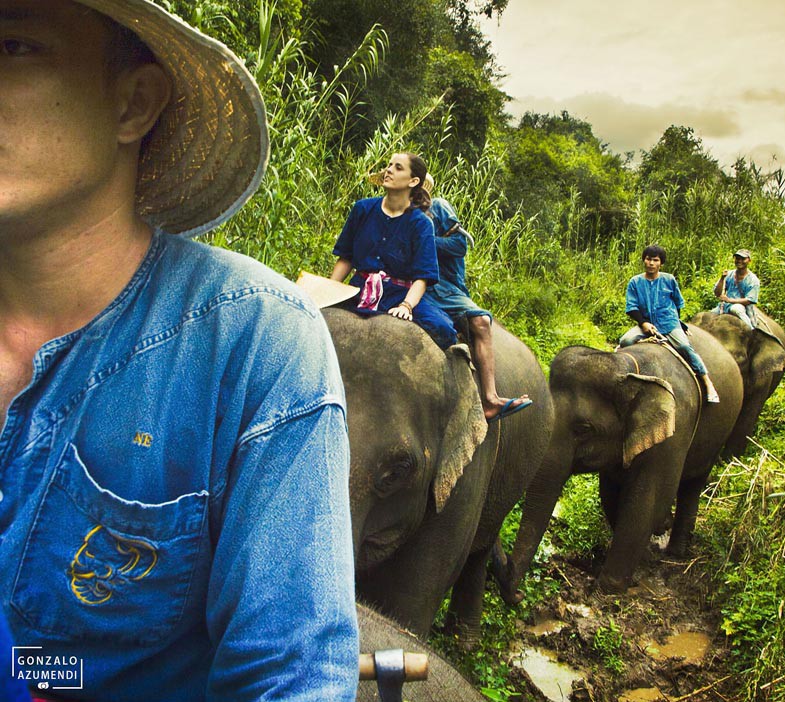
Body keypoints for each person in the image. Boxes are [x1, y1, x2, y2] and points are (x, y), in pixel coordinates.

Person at [0, 1, 358, 699]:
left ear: (134, 105)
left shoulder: (258, 342)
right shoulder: (368, 213)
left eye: (14, 47)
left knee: (453, 322)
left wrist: (404, 295)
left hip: (402, 290)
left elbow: (291, 677)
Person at [421, 176, 532, 423]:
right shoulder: (396, 212)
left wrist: (424, 240)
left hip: (445, 286)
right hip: (415, 284)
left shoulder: (437, 207)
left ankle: (490, 397)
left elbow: (460, 245)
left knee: (481, 322)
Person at [329, 153, 459, 350]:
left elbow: (422, 277)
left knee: (443, 328)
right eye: (389, 165)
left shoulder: (421, 223)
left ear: (413, 181)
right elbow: (346, 258)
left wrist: (406, 306)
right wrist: (330, 289)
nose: (389, 170)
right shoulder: (362, 208)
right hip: (359, 288)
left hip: (399, 293)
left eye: (398, 168)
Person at [618, 245, 721, 403]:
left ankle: (707, 382)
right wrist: (644, 323)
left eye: (655, 260)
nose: (651, 263)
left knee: (684, 347)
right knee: (625, 341)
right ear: (643, 260)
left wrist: (676, 324)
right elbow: (631, 308)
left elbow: (678, 304)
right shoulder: (635, 282)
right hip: (646, 323)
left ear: (661, 263)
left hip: (668, 322)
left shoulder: (669, 279)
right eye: (648, 259)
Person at [713, 248, 760, 329]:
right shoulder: (729, 274)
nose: (739, 261)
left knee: (736, 309)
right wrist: (722, 278)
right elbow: (717, 293)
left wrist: (729, 300)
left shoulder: (753, 279)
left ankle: (751, 331)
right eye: (737, 258)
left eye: (743, 259)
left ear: (749, 260)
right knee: (710, 315)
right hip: (725, 306)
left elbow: (750, 300)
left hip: (741, 306)